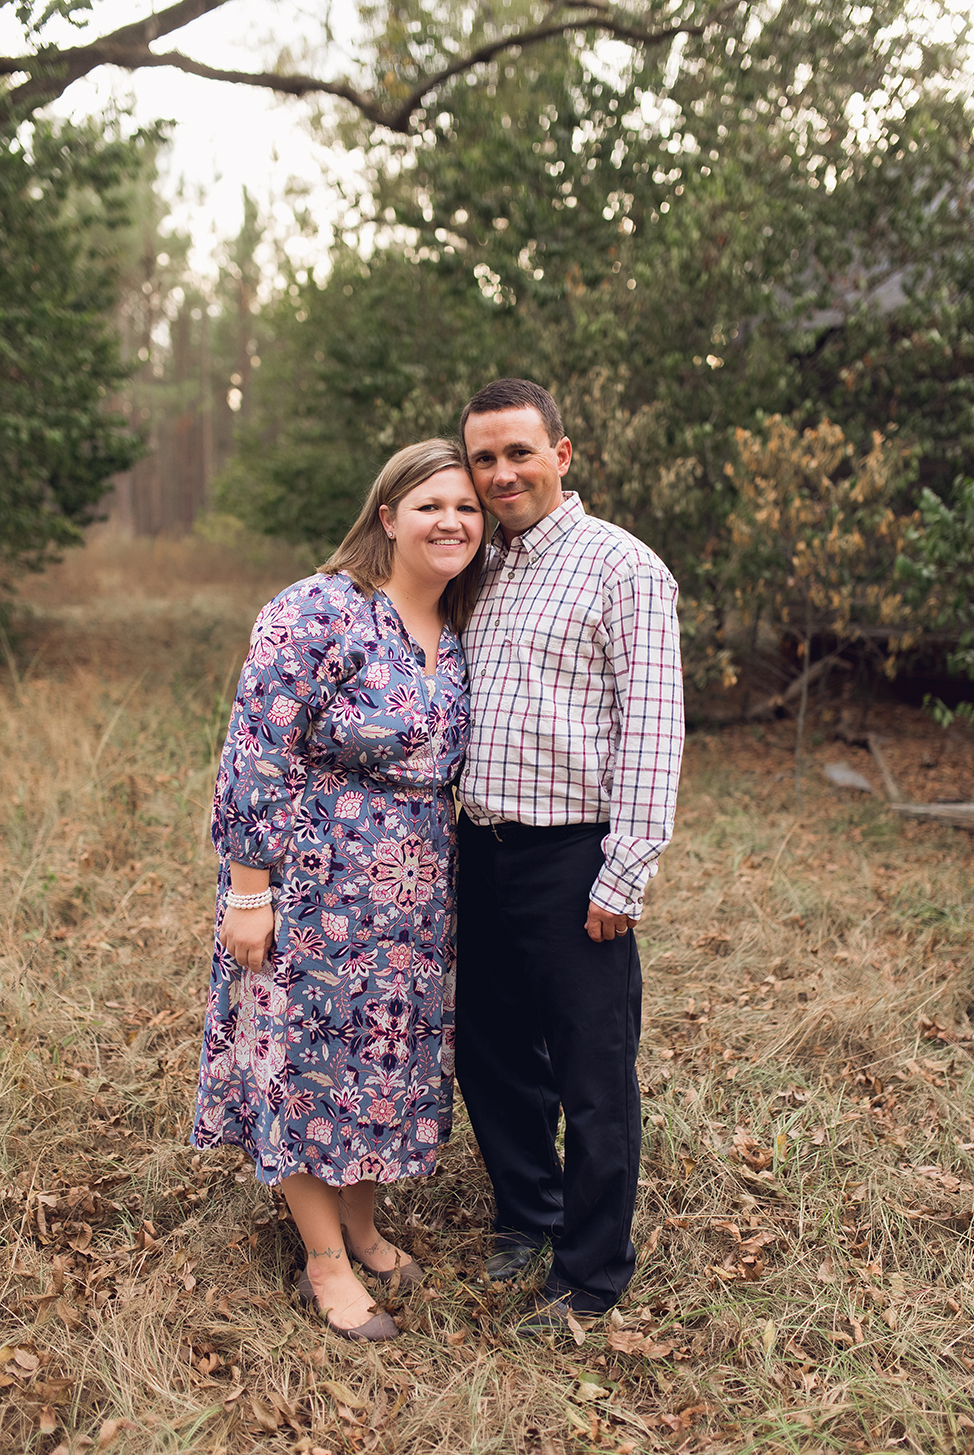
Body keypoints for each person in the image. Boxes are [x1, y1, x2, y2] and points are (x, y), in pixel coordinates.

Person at [191, 439, 485, 1342]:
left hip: (414, 898)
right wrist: (249, 890)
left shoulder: (464, 627)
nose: (452, 522)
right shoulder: (318, 611)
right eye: (431, 505)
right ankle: (322, 1256)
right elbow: (257, 748)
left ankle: (360, 1223)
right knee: (304, 1062)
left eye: (468, 509)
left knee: (379, 1061)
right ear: (387, 515)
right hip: (313, 889)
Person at [455, 379, 684, 1334]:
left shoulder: (622, 569)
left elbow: (653, 729)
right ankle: (528, 1214)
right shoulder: (477, 563)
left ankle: (591, 1274)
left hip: (572, 854)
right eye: (483, 459)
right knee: (491, 1051)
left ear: (563, 453)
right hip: (478, 845)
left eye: (519, 452)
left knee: (594, 1070)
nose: (501, 473)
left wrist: (623, 869)